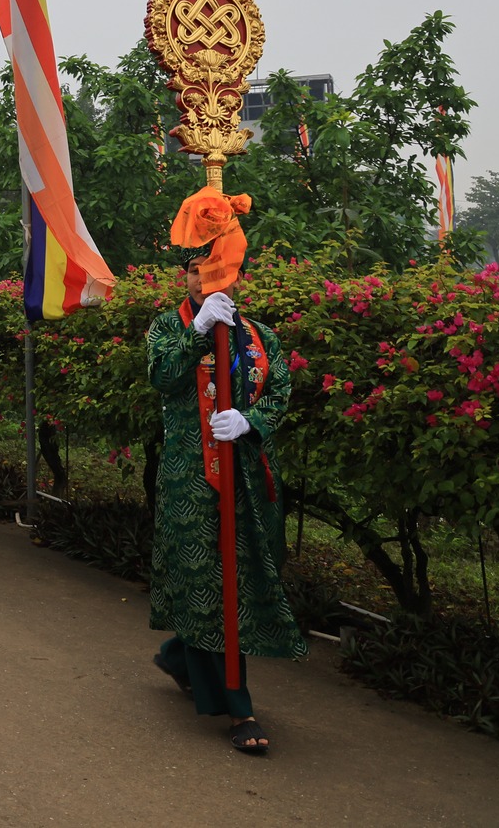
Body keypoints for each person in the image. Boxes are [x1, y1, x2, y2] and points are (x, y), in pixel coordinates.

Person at [147, 247, 304, 754]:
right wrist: (197, 333)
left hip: (249, 480)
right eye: (194, 271)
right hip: (190, 481)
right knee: (205, 584)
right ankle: (238, 708)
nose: (203, 280)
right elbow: (162, 377)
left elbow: (278, 394)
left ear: (238, 278)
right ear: (184, 277)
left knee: (240, 578)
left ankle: (178, 656)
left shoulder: (260, 336)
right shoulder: (167, 327)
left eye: (215, 271)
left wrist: (248, 422)